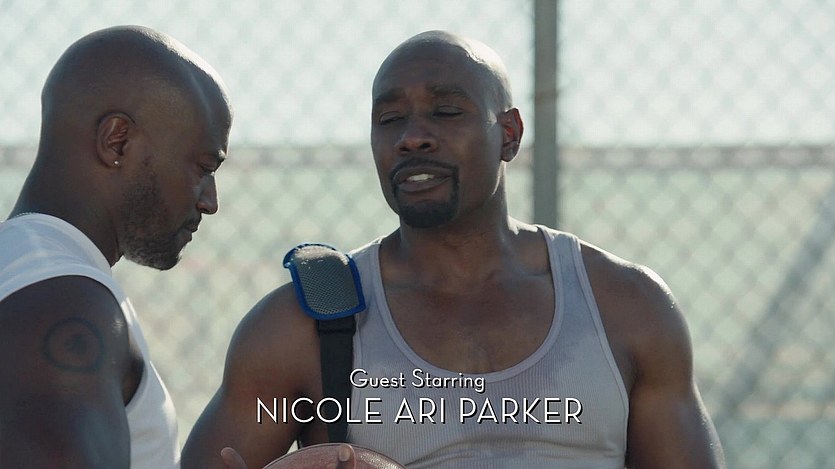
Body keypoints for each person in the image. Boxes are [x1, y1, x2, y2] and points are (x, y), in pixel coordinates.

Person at [183, 30, 725, 468]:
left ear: (509, 133)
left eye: (446, 112)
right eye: (389, 119)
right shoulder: (302, 326)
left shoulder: (624, 305)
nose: (412, 137)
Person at [0, 25, 232, 468]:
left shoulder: (26, 272)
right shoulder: (64, 298)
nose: (210, 201)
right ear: (117, 141)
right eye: (202, 167)